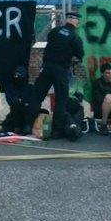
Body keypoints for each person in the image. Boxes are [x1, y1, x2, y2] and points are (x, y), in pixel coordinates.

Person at [26, 11, 84, 141]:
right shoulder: (75, 37)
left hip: (46, 68)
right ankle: (57, 131)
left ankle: (28, 125)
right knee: (61, 101)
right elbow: (80, 54)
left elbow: (49, 46)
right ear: (75, 21)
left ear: (66, 20)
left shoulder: (54, 31)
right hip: (61, 70)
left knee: (37, 97)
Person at [0, 66, 34, 136]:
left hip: (27, 112)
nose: (18, 78)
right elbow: (10, 101)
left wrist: (23, 101)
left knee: (35, 109)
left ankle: (27, 126)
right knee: (15, 103)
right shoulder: (10, 88)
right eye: (16, 76)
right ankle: (17, 126)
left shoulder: (30, 88)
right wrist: (20, 101)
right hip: (15, 112)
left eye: (20, 76)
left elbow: (32, 101)